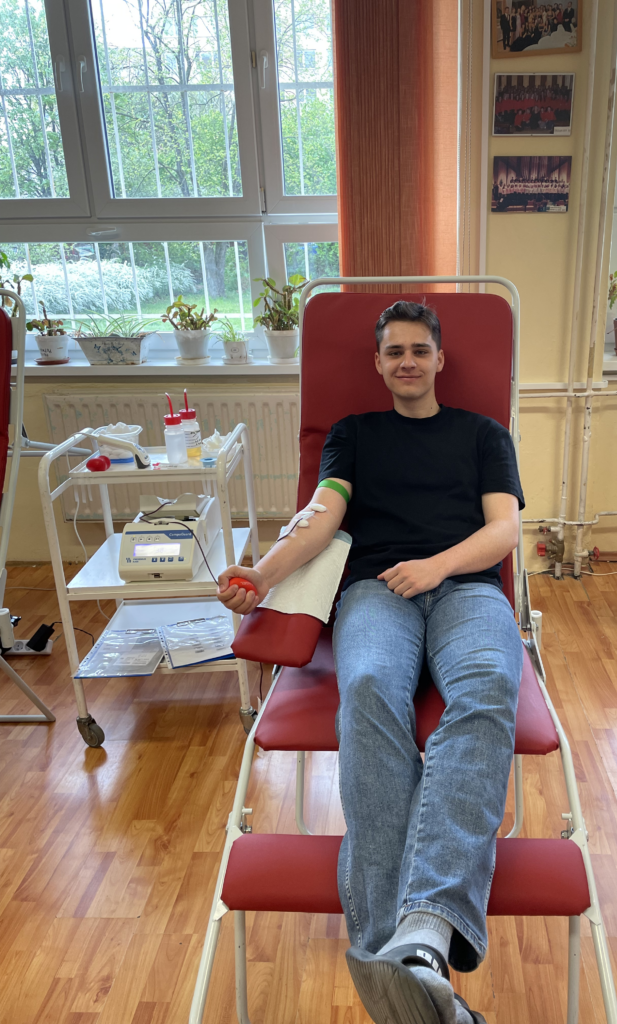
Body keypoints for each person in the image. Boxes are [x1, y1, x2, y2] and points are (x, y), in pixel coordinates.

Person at [218, 301, 525, 1024]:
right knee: (365, 688)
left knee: (487, 688)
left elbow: (505, 529)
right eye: (394, 352)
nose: (407, 362)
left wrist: (436, 566)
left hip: (467, 588)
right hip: (375, 591)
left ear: (440, 359)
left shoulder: (484, 434)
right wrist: (262, 573)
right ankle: (415, 964)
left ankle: (417, 939)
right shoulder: (352, 435)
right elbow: (320, 518)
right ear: (379, 364)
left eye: (419, 350)